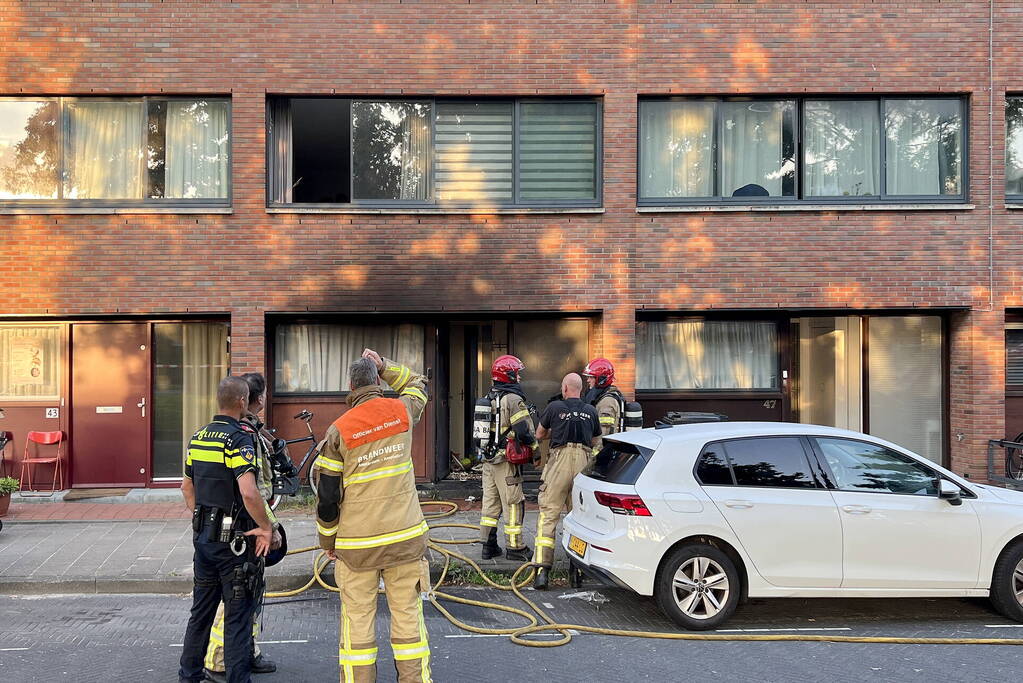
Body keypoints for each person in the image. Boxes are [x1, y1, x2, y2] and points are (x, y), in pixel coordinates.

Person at [313, 349, 432, 683]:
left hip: (357, 547)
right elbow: (419, 385)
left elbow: (327, 498)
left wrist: (328, 540)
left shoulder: (338, 431)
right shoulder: (402, 411)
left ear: (350, 385)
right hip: (406, 540)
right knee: (408, 618)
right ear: (378, 381)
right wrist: (387, 365)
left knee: (358, 623)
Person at [178, 377, 274, 683]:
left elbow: (187, 486)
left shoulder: (198, 437)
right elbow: (248, 492)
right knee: (238, 619)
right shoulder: (237, 439)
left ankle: (189, 676)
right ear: (242, 402)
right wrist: (266, 527)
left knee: (201, 614)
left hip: (204, 539)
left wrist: (202, 518)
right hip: (234, 544)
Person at [202, 373, 282, 682]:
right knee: (238, 592)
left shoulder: (246, 431)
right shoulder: (243, 435)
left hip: (231, 525)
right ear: (252, 400)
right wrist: (269, 527)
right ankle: (217, 660)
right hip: (245, 527)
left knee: (250, 590)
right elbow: (255, 488)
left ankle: (247, 652)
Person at [532, 373, 601, 590]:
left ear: (564, 388)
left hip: (559, 462)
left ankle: (542, 572)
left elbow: (540, 434)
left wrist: (558, 429)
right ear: (580, 389)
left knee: (548, 515)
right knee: (579, 518)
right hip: (583, 463)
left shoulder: (554, 408)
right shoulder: (591, 411)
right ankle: (576, 572)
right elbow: (595, 440)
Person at [478, 355, 536, 563]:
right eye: (517, 373)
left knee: (490, 504)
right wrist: (535, 450)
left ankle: (488, 546)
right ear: (509, 375)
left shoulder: (489, 396)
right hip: (506, 463)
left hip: (488, 461)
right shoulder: (513, 399)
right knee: (513, 503)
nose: (519, 377)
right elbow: (523, 430)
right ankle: (515, 547)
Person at [583, 358, 623, 449]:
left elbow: (602, 435)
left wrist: (594, 458)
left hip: (602, 455)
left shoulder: (607, 402)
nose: (588, 380)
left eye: (591, 377)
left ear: (602, 379)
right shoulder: (600, 397)